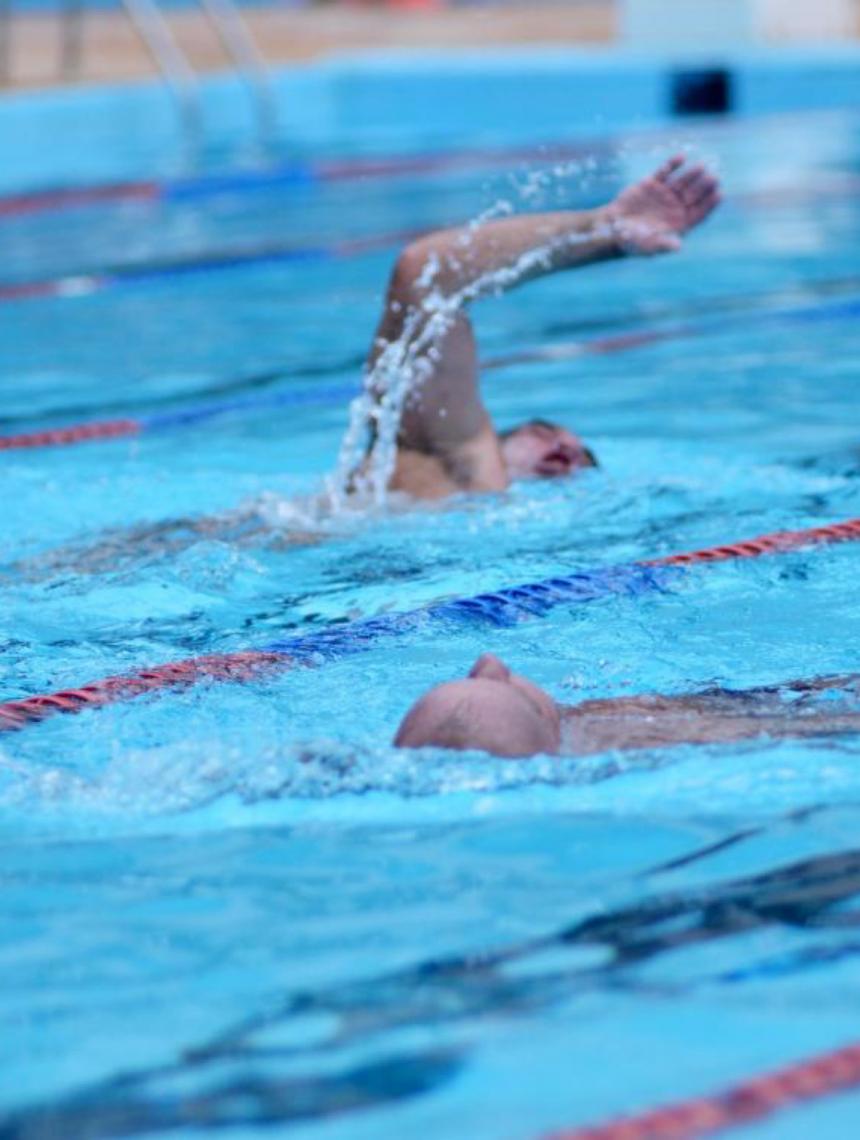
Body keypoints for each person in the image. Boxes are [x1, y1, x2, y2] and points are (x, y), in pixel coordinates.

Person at [14, 155, 721, 578]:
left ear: (561, 463)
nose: (557, 444)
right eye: (535, 427)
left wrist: (603, 232)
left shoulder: (464, 480)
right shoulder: (451, 490)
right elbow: (428, 277)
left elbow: (429, 273)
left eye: (550, 436)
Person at [394, 653, 860, 758]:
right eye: (500, 684)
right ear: (544, 721)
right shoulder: (663, 737)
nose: (490, 661)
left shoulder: (586, 719)